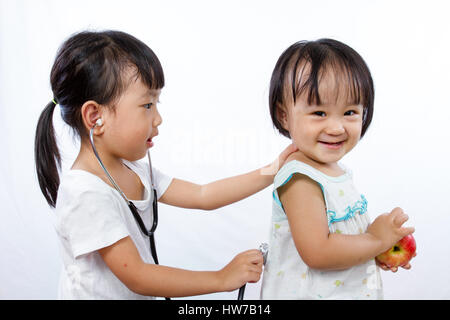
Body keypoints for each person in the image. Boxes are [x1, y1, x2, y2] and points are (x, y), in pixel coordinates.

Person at [34, 30, 297, 299]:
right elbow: (138, 276)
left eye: (157, 103)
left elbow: (203, 195)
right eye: (147, 105)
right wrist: (221, 278)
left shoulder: (133, 170)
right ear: (95, 117)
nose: (158, 118)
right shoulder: (84, 193)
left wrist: (273, 169)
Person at [260, 38, 416, 300]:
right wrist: (376, 240)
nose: (336, 127)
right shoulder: (301, 179)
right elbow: (318, 252)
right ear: (284, 115)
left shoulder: (335, 170)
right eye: (319, 113)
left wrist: (373, 251)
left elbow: (341, 241)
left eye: (350, 112)